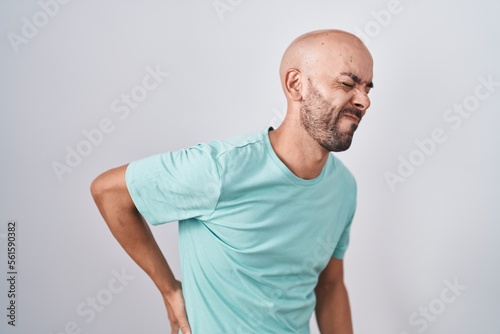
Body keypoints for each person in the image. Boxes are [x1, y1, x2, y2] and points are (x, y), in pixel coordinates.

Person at [91, 29, 373, 334]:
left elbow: (330, 287)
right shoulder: (219, 168)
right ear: (296, 85)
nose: (364, 101)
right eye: (347, 84)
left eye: (368, 89)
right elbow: (110, 192)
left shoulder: (344, 188)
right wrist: (169, 290)